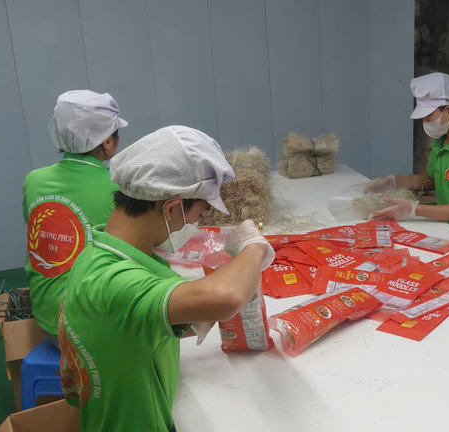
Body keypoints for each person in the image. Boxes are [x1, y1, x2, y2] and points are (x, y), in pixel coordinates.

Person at [58, 125, 275, 431]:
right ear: (172, 208)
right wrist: (253, 247)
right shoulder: (114, 281)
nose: (198, 223)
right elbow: (227, 297)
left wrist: (197, 314)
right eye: (200, 212)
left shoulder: (100, 253)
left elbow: (133, 322)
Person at [23, 90, 127, 338]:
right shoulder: (118, 187)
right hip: (90, 329)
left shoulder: (33, 180)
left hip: (46, 321)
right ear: (108, 141)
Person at [368, 72, 449, 246]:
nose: (425, 122)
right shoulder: (442, 141)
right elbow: (430, 179)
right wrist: (391, 181)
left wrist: (414, 209)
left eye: (428, 116)